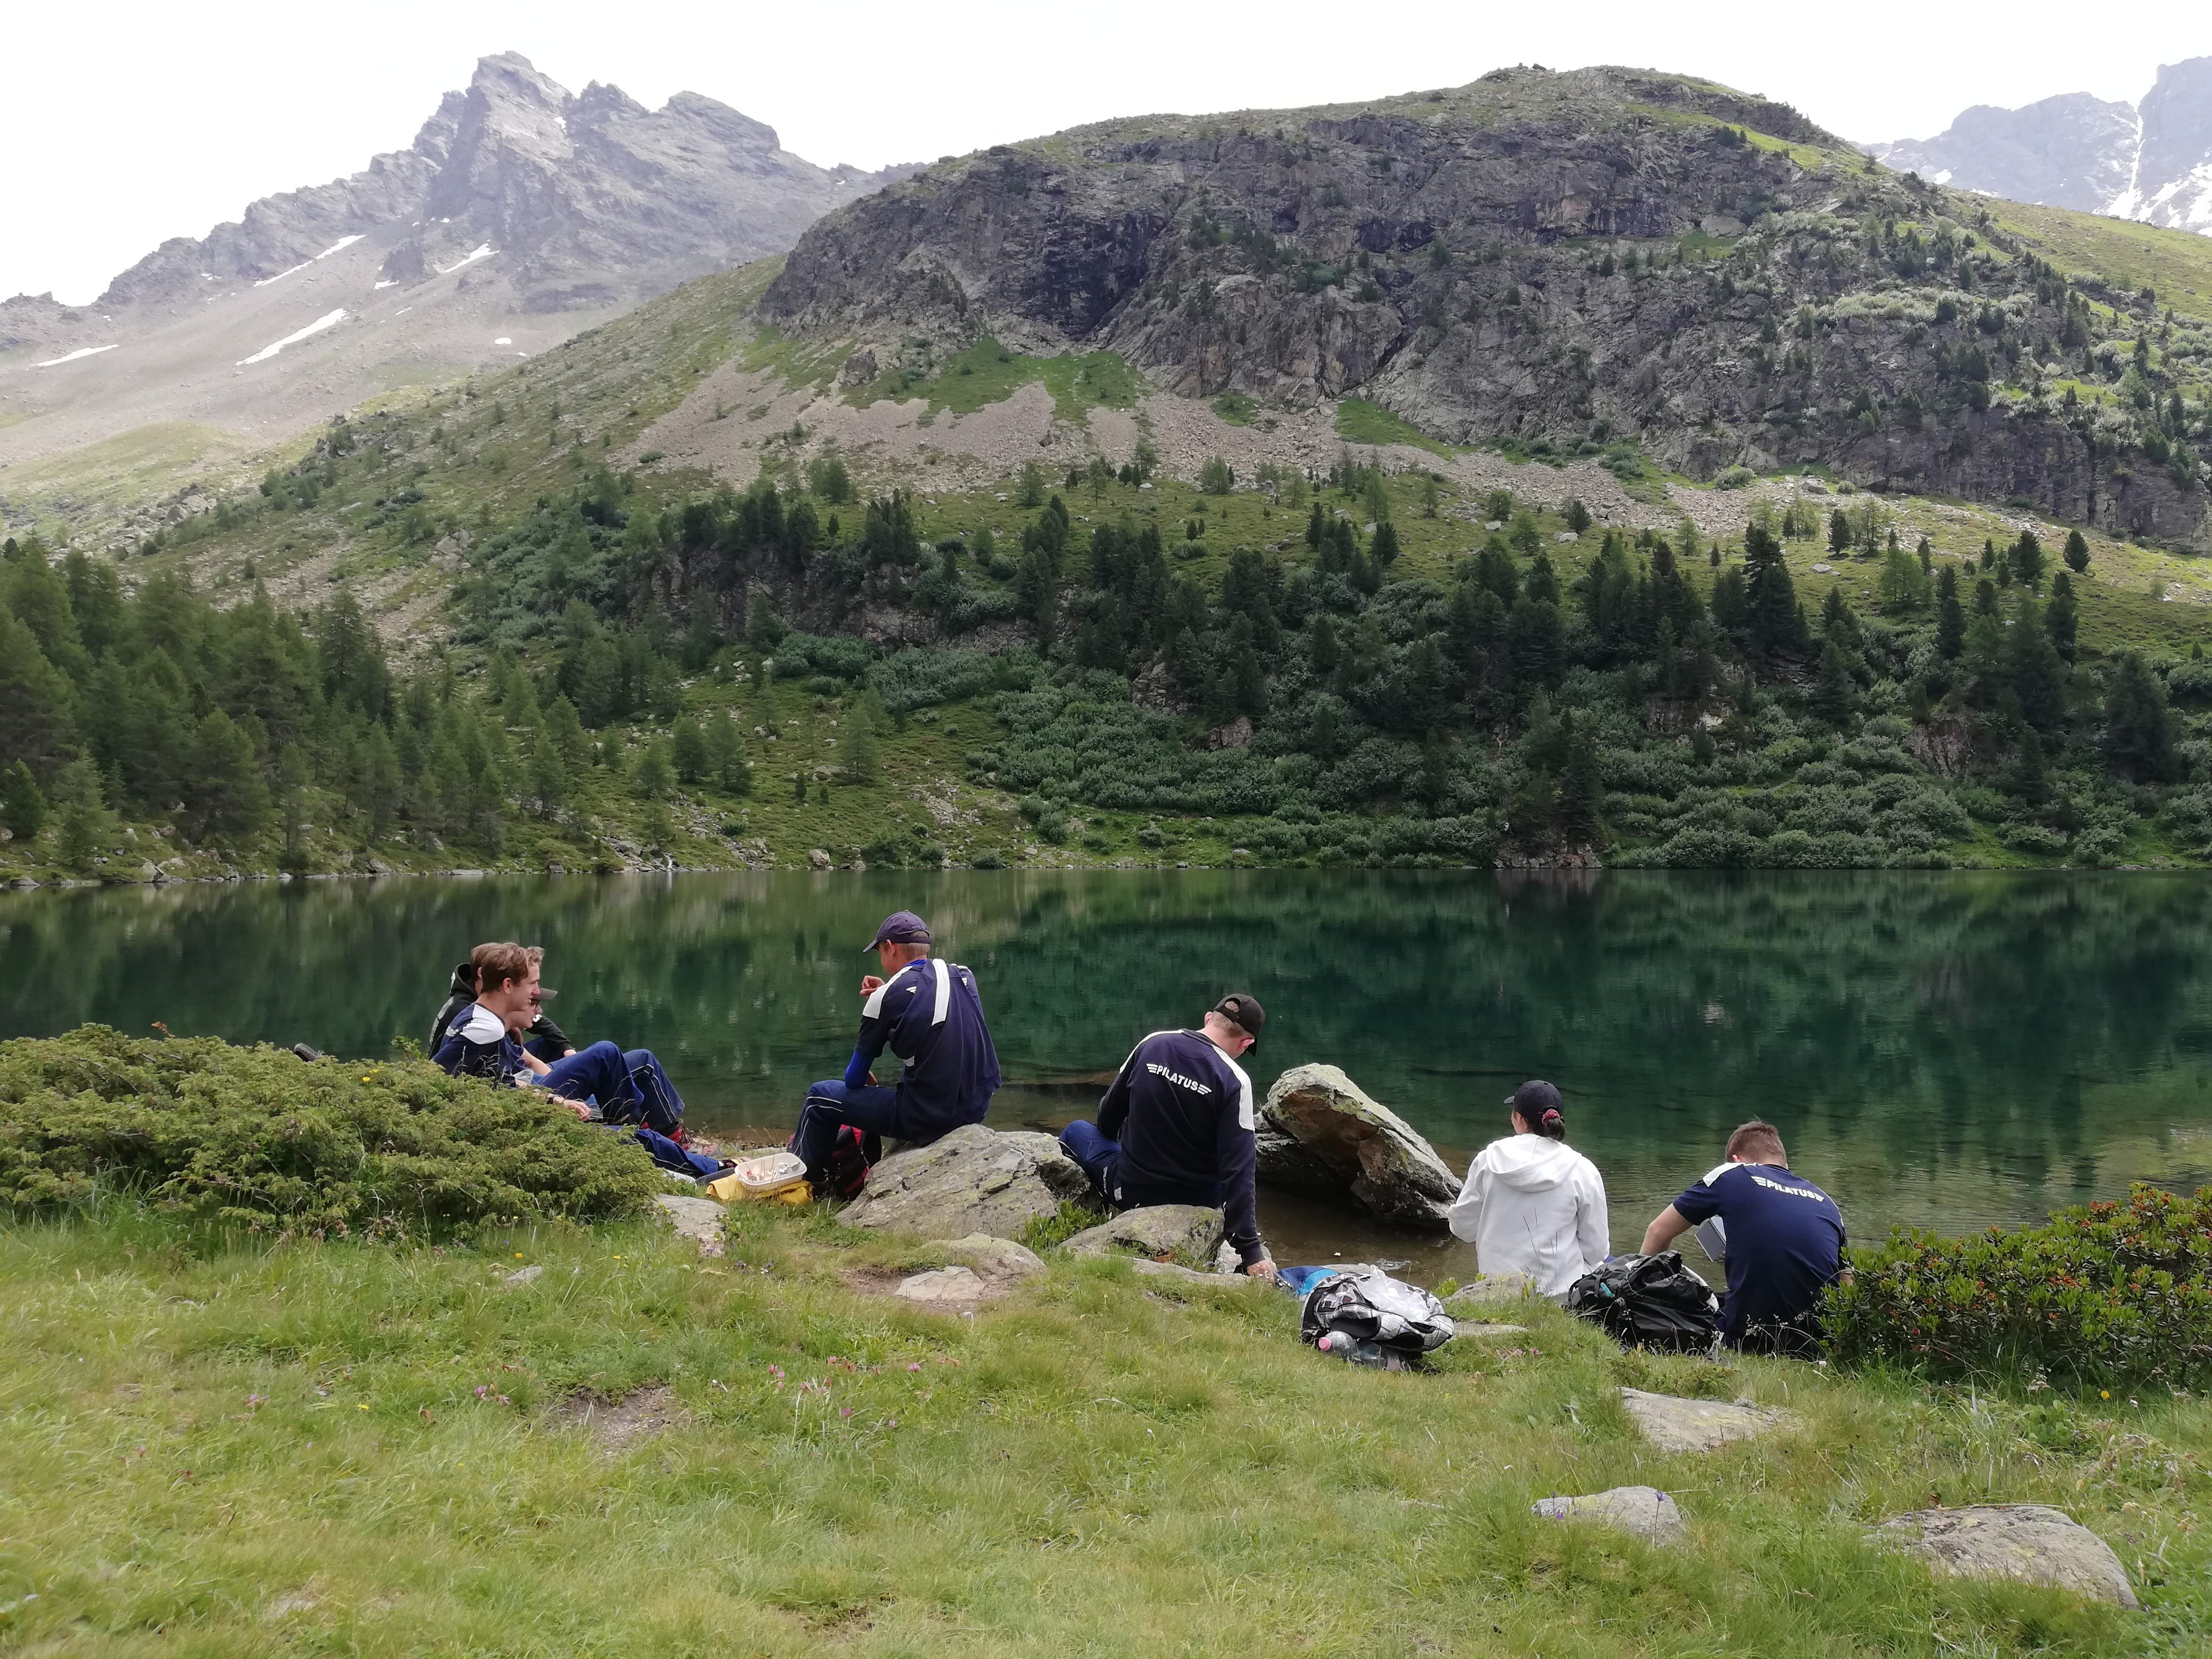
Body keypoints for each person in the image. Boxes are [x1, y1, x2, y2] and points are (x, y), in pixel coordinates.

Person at [431, 941, 723, 1178]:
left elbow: (497, 1085)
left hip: (500, 1118)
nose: (536, 994)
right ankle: (713, 1171)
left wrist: (557, 1101)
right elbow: (492, 1094)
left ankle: (697, 1160)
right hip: (501, 1132)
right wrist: (557, 1103)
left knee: (630, 1105)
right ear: (508, 985)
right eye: (531, 986)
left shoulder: (480, 1017)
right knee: (629, 1130)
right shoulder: (487, 1028)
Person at [1058, 994, 1276, 1277]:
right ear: (1246, 1043)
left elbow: (1107, 1119)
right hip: (1199, 1206)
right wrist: (1251, 1251)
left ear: (1208, 1019)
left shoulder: (1154, 1043)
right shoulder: (1236, 1081)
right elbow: (1240, 1171)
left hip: (1132, 1194)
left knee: (1078, 1130)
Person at [790, 912, 1001, 1186]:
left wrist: (884, 996)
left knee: (819, 1098)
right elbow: (947, 1033)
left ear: (890, 947)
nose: (880, 958)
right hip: (976, 1108)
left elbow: (854, 1080)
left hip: (928, 1119)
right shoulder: (963, 977)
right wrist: (890, 989)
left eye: (879, 951)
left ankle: (808, 1182)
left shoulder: (884, 998)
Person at [1639, 1119, 1846, 1355]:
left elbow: (1657, 1231)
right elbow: (1846, 1282)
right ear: (1785, 1164)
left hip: (1748, 1337)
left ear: (1736, 1159)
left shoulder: (1732, 1174)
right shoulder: (1827, 1202)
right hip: (1815, 1343)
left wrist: (1638, 1290)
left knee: (1691, 1300)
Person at [1447, 1080, 1608, 1299]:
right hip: (1561, 1298)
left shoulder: (1488, 1160)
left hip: (1496, 1292)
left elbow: (1461, 1228)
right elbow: (1596, 1251)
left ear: (1519, 1119)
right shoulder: (1583, 1170)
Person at [430, 959, 572, 1065]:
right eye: (531, 983)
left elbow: (538, 1022)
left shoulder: (485, 1007)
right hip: (483, 1069)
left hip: (503, 1058)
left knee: (552, 1046)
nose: (535, 990)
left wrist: (567, 1049)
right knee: (594, 1057)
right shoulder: (468, 1012)